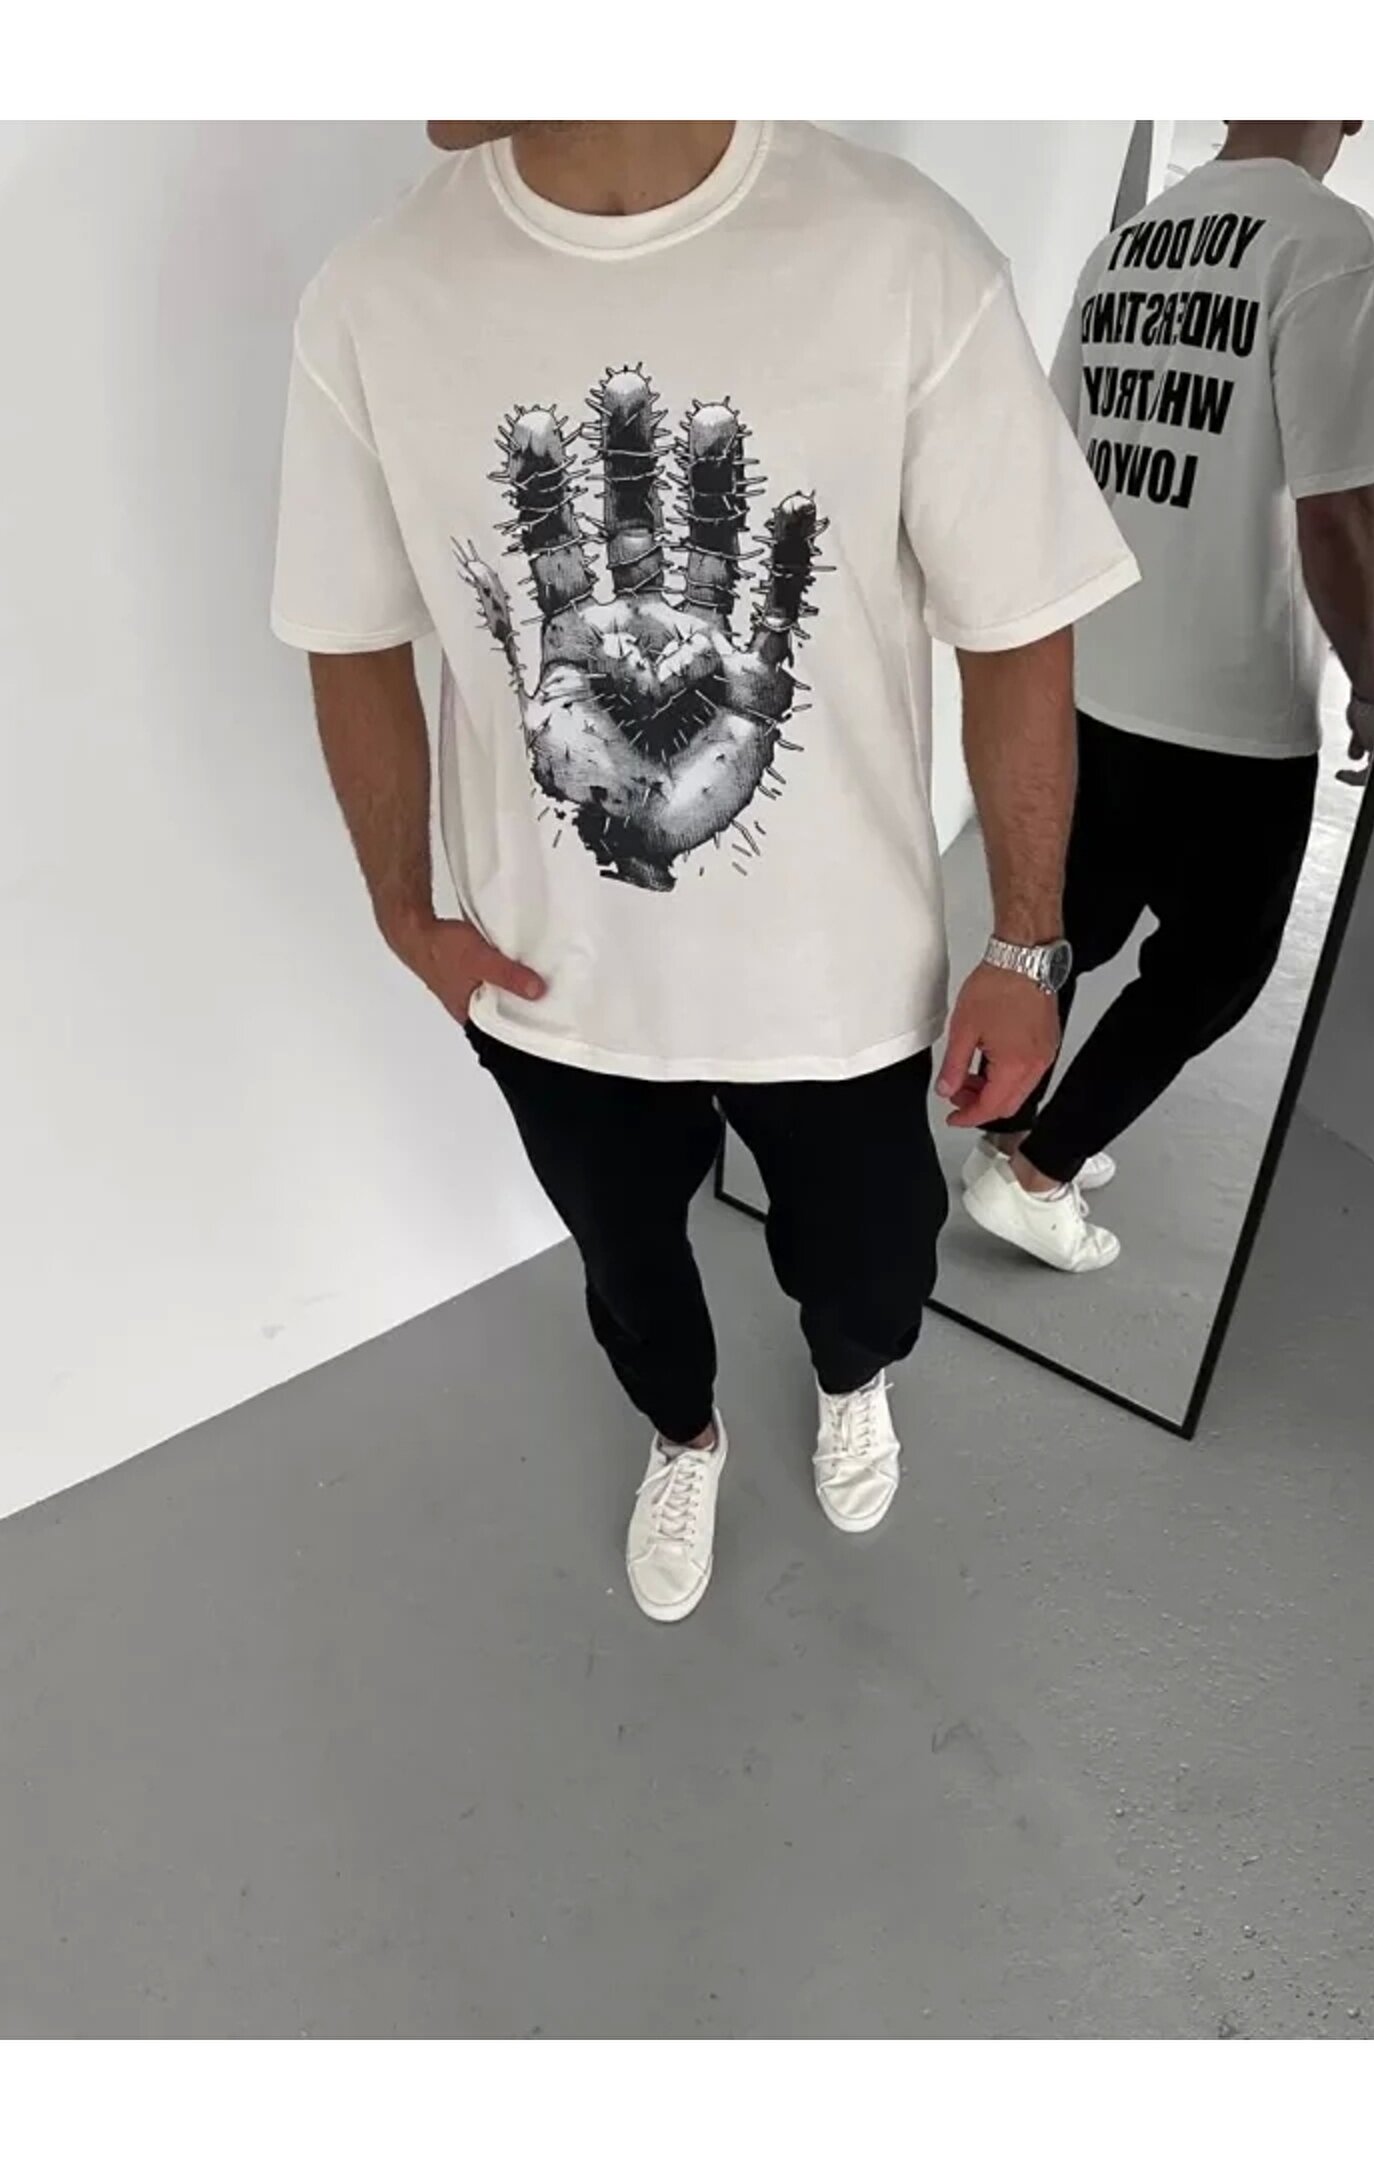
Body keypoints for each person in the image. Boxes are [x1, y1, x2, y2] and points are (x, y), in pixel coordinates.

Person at [271, 121, 1136, 1621]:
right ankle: (686, 1435)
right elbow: (345, 632)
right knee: (629, 1278)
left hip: (841, 990)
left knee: (872, 1273)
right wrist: (406, 912)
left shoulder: (901, 253)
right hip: (555, 989)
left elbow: (1017, 621)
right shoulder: (374, 296)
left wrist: (1026, 941)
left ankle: (851, 1377)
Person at [963, 118, 1374, 1274]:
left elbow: (1060, 467)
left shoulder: (1128, 246)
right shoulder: (1328, 240)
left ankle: (1015, 1125)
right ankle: (1037, 1174)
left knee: (1074, 930)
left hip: (1094, 675)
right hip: (1229, 708)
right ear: (1350, 107)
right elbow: (1340, 510)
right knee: (1213, 972)